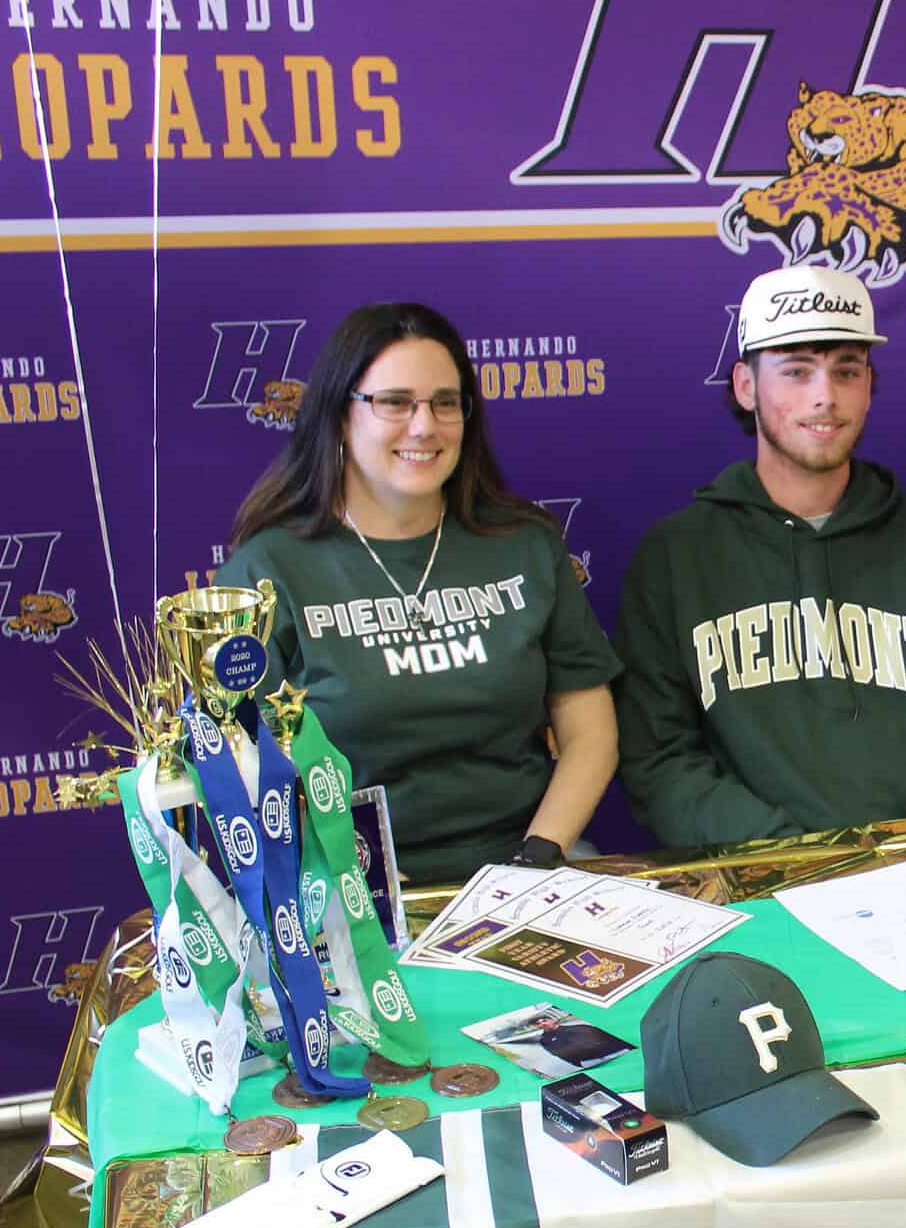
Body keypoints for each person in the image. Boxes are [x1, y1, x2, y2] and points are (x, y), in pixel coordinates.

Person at [613, 266, 906, 847]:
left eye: (845, 371)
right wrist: (790, 857)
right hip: (753, 883)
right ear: (747, 386)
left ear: (869, 385)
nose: (825, 396)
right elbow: (658, 758)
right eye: (796, 371)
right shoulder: (675, 556)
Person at [221, 301, 620, 884]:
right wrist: (351, 876)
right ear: (339, 414)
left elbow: (590, 733)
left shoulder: (524, 545)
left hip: (530, 865)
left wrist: (539, 856)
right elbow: (241, 765)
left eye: (445, 402)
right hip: (343, 881)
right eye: (394, 402)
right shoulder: (267, 569)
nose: (424, 425)